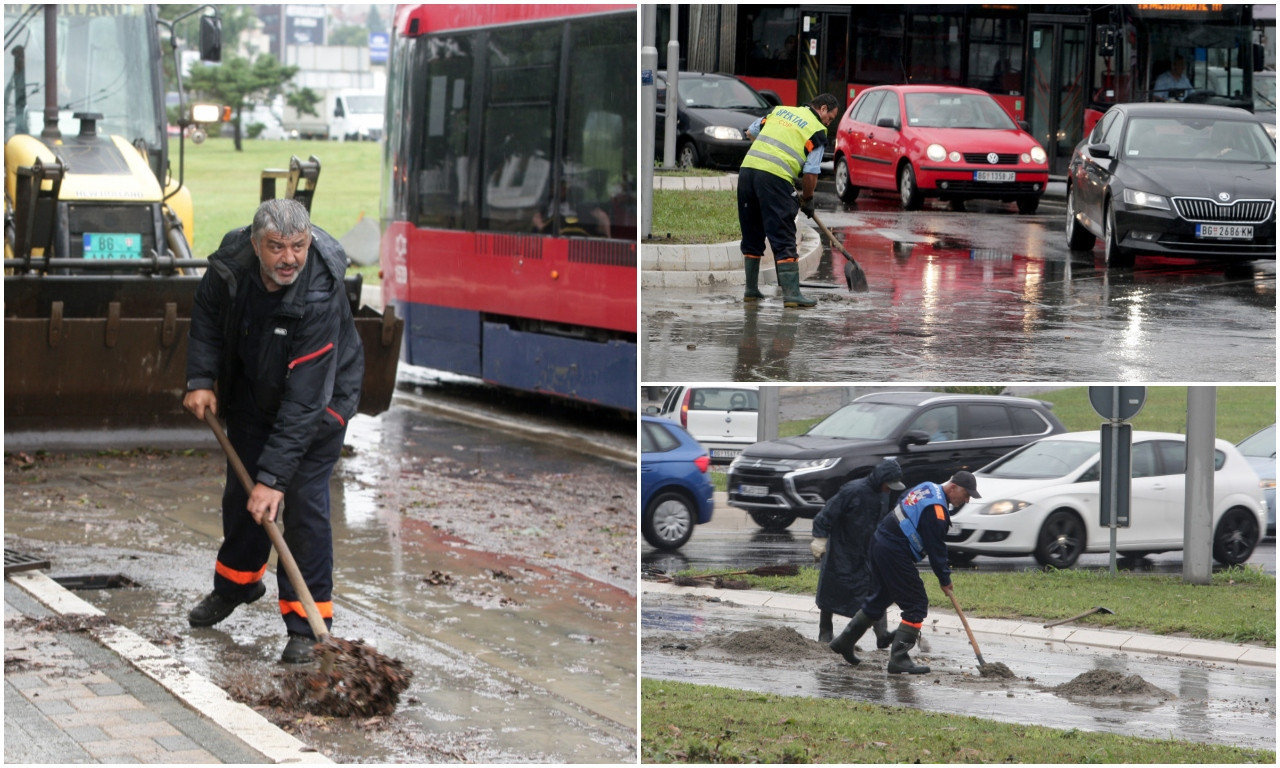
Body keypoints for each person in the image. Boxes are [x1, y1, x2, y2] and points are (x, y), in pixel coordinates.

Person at [183, 198, 364, 664]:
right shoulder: (231, 262)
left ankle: (307, 624)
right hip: (254, 394)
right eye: (277, 247)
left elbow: (305, 402)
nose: (289, 258)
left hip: (320, 403)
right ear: (254, 243)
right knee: (244, 497)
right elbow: (207, 313)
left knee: (301, 503)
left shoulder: (319, 295)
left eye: (298, 246)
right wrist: (200, 378)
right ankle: (237, 585)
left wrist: (275, 480)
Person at [828, 471, 980, 674]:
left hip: (881, 541)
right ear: (953, 487)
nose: (967, 500)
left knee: (880, 598)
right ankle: (899, 658)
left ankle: (844, 641)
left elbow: (902, 500)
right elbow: (936, 549)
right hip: (894, 551)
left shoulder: (928, 486)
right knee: (916, 604)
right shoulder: (936, 511)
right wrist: (944, 579)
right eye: (966, 494)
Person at [737, 93, 840, 308]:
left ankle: (751, 290)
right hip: (774, 178)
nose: (828, 123)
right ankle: (792, 294)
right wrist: (808, 199)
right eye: (830, 118)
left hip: (747, 172)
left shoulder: (780, 111)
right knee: (783, 234)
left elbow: (751, 132)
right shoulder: (817, 131)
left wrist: (767, 156)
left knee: (752, 232)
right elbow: (811, 173)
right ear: (822, 109)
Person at [810, 459, 906, 645]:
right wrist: (820, 539)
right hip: (842, 550)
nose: (889, 490)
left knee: (876, 590)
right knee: (832, 589)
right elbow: (827, 514)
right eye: (888, 485)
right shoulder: (852, 490)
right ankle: (825, 632)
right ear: (880, 479)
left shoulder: (883, 494)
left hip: (868, 551)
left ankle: (882, 634)